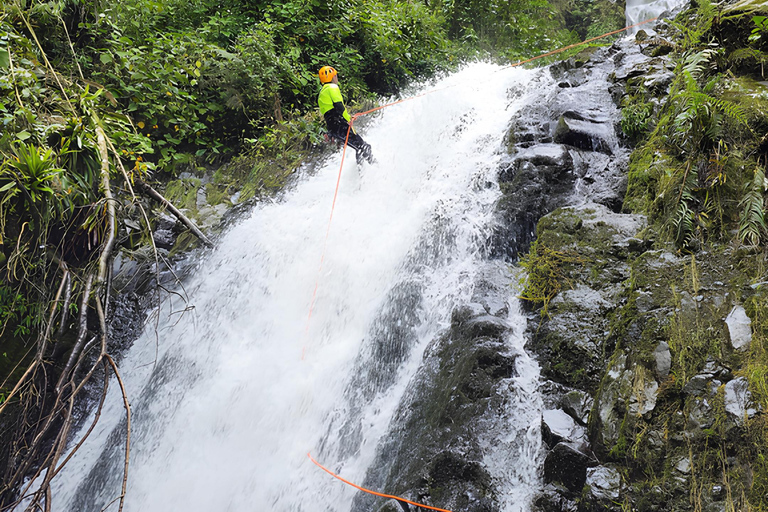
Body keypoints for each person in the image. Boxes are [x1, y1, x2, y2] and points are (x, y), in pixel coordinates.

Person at [317, 66, 374, 165]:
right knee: (364, 147)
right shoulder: (332, 87)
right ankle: (375, 167)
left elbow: (329, 113)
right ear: (331, 77)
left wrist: (331, 133)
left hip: (333, 127)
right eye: (335, 75)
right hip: (340, 124)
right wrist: (348, 119)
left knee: (359, 148)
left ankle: (363, 173)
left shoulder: (322, 93)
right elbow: (339, 106)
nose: (336, 77)